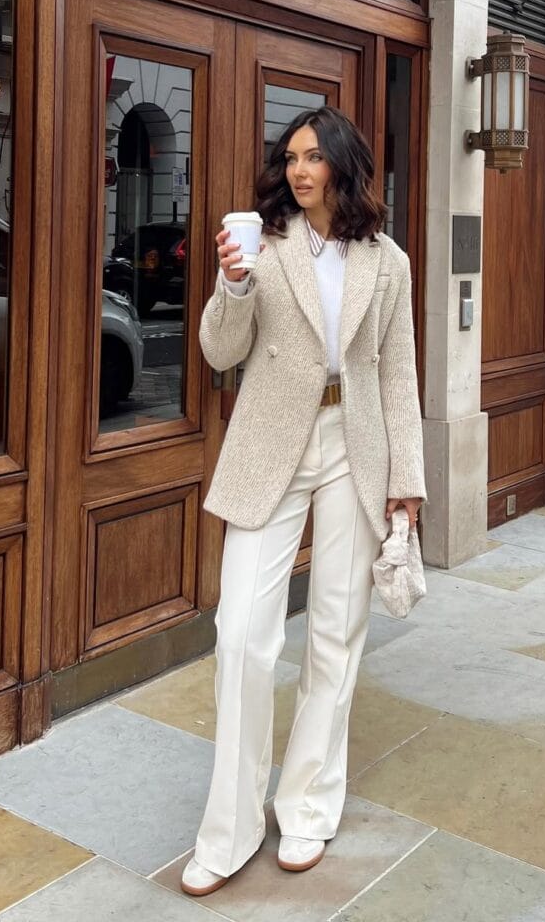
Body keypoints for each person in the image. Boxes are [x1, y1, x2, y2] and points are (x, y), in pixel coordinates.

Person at [181, 105, 426, 897]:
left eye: (314, 156)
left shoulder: (387, 262)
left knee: (333, 635)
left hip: (352, 447)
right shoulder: (264, 241)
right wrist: (231, 282)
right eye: (290, 157)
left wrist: (405, 488)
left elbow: (396, 375)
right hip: (270, 446)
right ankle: (230, 828)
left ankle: (310, 806)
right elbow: (221, 350)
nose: (298, 170)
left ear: (345, 166)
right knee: (242, 635)